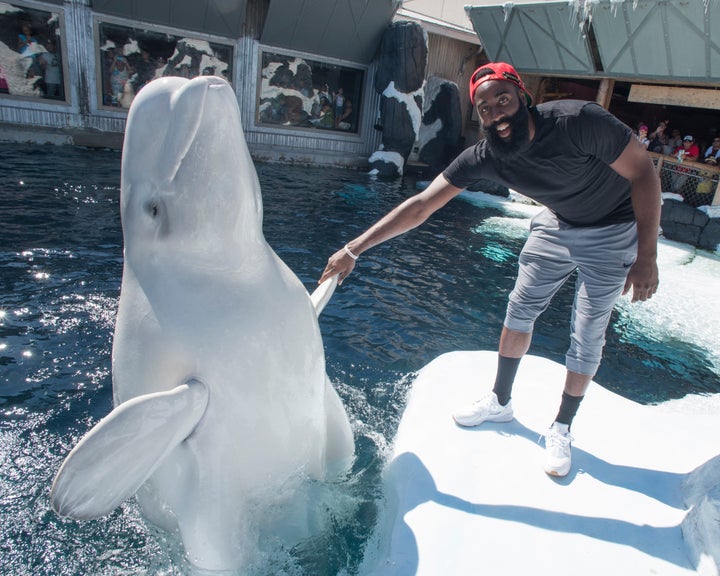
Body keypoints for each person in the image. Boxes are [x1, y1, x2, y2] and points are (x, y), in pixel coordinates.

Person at [319, 61, 660, 478]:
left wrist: (646, 257)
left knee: (587, 331)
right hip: (556, 224)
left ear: (523, 97)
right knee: (518, 312)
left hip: (613, 229)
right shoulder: (488, 158)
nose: (496, 113)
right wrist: (354, 249)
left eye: (503, 100)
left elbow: (644, 172)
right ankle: (501, 402)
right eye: (484, 108)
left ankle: (562, 426)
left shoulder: (578, 122)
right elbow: (423, 205)